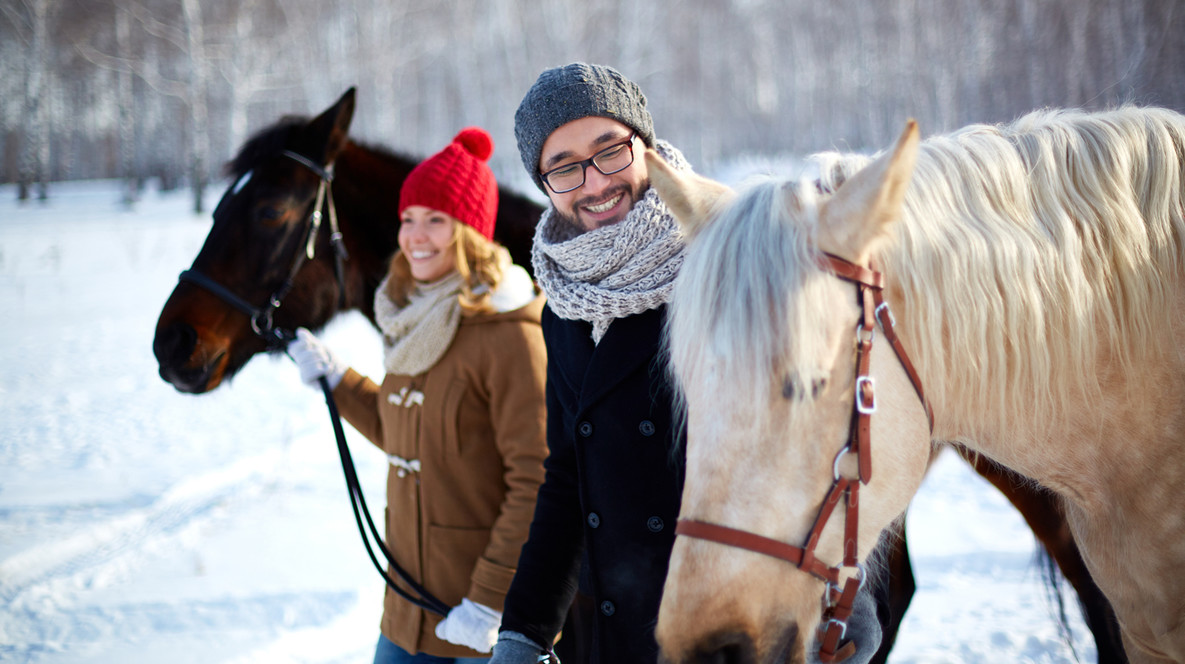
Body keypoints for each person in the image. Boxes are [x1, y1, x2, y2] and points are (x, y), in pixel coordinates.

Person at [488, 63, 885, 664]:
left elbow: (806, 435)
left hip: (737, 617)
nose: (594, 183)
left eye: (610, 152)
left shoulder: (725, 260)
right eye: (564, 166)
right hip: (614, 630)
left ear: (643, 145)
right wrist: (524, 631)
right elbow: (569, 478)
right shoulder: (565, 304)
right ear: (544, 182)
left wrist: (844, 594)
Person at [288, 127, 549, 664]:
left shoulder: (510, 333)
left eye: (437, 220)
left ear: (470, 232)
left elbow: (536, 483)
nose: (416, 235)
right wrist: (340, 382)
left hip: (482, 628)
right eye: (409, 219)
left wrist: (489, 601)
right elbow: (402, 432)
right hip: (406, 614)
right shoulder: (412, 318)